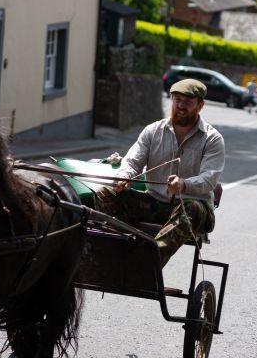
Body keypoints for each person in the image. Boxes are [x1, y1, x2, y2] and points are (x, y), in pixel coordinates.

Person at [94, 79, 225, 267]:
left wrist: (183, 184)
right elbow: (132, 161)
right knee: (105, 193)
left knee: (190, 207)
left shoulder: (212, 139)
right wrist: (125, 176)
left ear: (200, 105)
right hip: (155, 203)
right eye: (177, 99)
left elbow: (209, 179)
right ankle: (119, 252)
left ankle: (148, 263)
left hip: (193, 209)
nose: (180, 106)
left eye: (188, 102)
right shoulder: (153, 130)